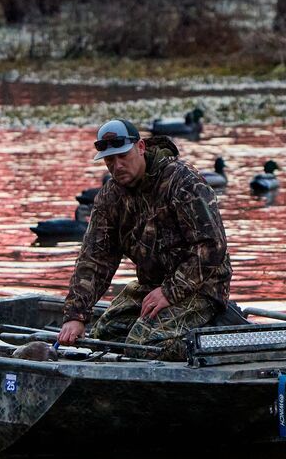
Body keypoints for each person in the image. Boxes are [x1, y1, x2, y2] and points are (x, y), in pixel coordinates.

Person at [56, 119, 232, 354]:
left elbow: (211, 246)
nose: (117, 166)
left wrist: (171, 291)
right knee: (104, 335)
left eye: (123, 157)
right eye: (110, 160)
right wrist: (76, 315)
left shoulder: (182, 182)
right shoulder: (111, 197)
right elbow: (94, 258)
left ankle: (211, 340)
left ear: (140, 147)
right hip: (151, 287)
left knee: (143, 345)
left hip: (202, 287)